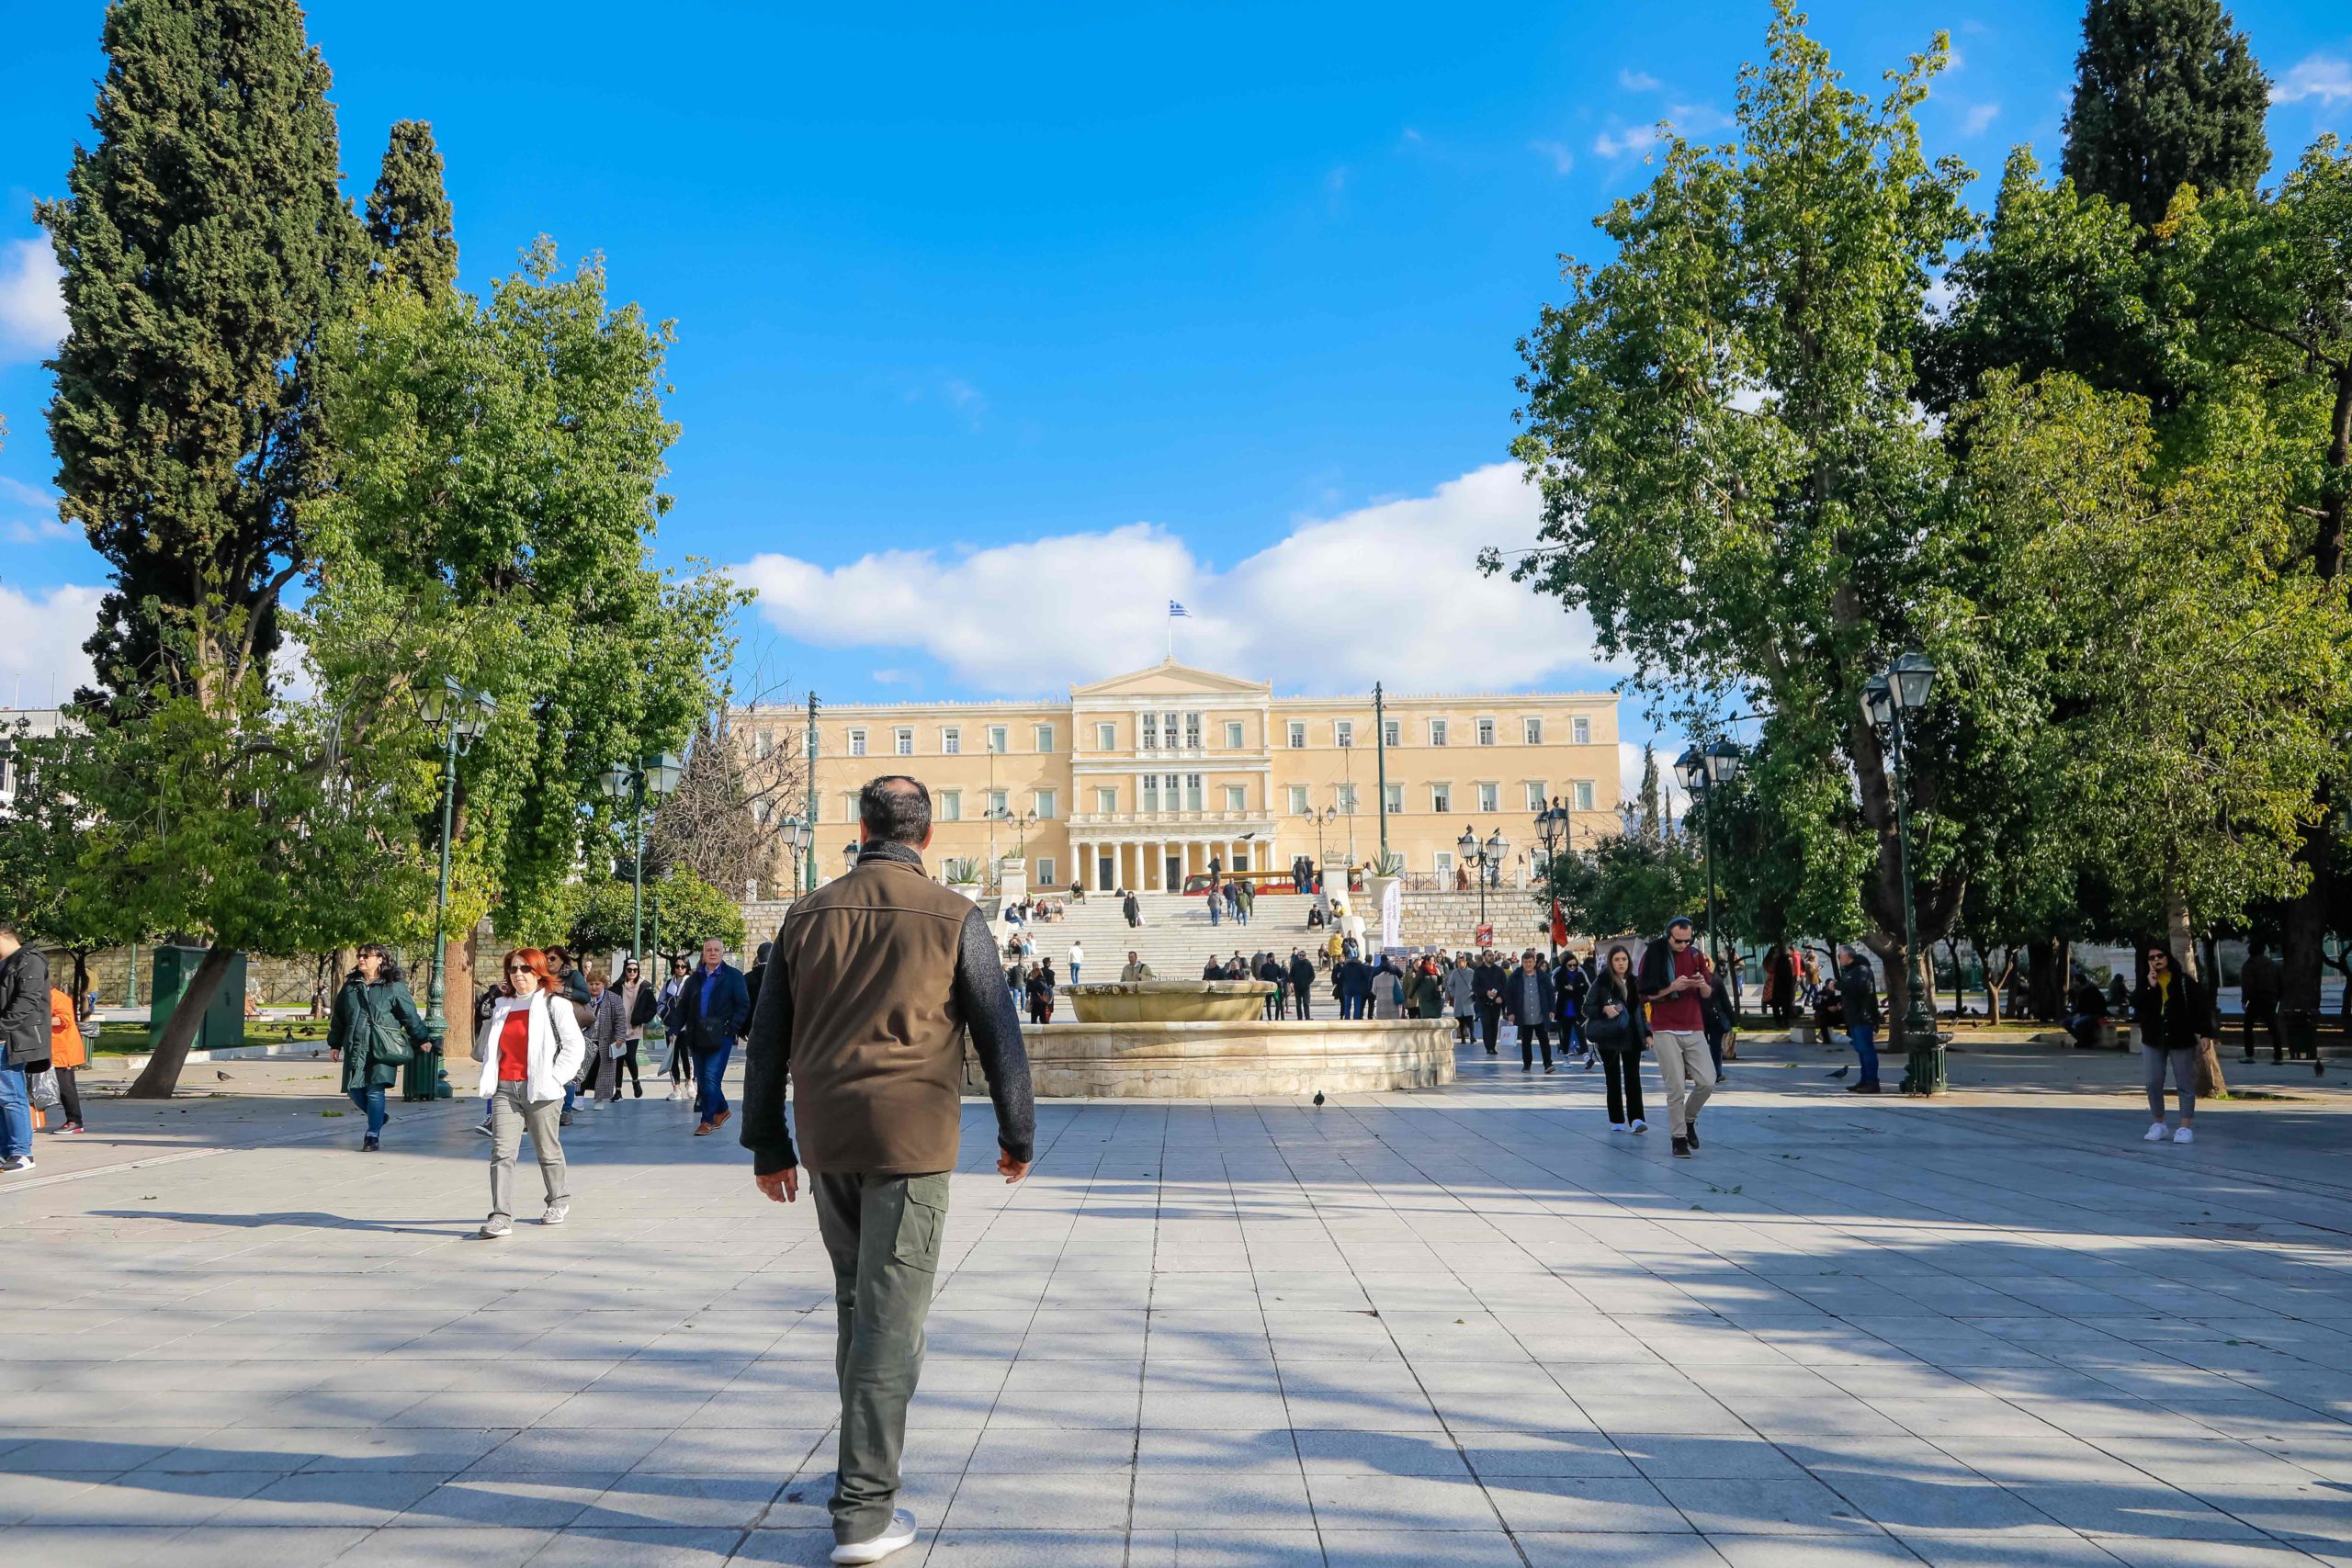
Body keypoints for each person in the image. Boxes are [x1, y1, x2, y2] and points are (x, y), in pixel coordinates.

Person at [741, 776, 1033, 1566]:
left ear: (861, 827)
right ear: (928, 837)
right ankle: (864, 1512)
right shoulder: (954, 916)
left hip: (829, 1135)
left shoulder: (807, 914)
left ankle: (859, 1472)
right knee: (890, 1318)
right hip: (911, 1139)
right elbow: (1000, 1033)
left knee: (855, 1303)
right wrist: (1018, 1134)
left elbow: (766, 1039)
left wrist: (769, 1143)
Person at [475, 948, 584, 1237]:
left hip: (542, 1089)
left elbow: (575, 1047)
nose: (518, 974)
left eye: (525, 969)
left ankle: (558, 1199)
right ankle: (500, 1216)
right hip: (505, 1088)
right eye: (513, 969)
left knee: (547, 1150)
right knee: (501, 1153)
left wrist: (554, 1077)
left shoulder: (555, 1005)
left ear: (539, 972)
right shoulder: (502, 1006)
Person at [329, 943, 432, 1152]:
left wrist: (421, 1037)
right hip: (356, 1045)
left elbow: (409, 1015)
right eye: (359, 956)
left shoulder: (393, 986)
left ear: (380, 959)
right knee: (354, 1090)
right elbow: (339, 1017)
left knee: (375, 1091)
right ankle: (379, 1116)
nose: (361, 959)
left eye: (366, 956)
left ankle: (372, 1135)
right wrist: (335, 1044)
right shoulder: (350, 987)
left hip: (382, 1046)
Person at [1638, 919, 1718, 1158]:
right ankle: (1679, 1138)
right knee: (1675, 1087)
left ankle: (1688, 1118)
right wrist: (1672, 987)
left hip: (1693, 1026)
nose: (1683, 944)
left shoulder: (1696, 956)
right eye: (1678, 940)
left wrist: (1702, 984)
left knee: (1707, 1081)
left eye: (1688, 940)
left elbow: (1708, 994)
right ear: (1668, 936)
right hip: (1664, 1028)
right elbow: (1645, 994)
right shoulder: (1654, 955)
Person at [673, 936, 751, 1137]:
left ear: (722, 953)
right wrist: (674, 1027)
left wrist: (731, 1028)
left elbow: (743, 1004)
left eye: (717, 950)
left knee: (710, 1078)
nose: (713, 953)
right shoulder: (694, 979)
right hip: (697, 1035)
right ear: (704, 953)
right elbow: (683, 1006)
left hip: (721, 1036)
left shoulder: (733, 976)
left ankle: (706, 1120)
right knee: (705, 1080)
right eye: (709, 950)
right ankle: (722, 1109)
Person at [2135, 944, 2211, 1145]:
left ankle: (2185, 1127)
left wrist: (2205, 1033)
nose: (2156, 960)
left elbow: (2201, 1007)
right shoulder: (2146, 983)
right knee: (2153, 1082)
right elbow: (2137, 1004)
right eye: (2152, 957)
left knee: (2184, 1083)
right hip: (2153, 1038)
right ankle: (2159, 1123)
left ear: (2167, 957)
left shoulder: (2184, 981)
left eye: (2160, 956)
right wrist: (2151, 986)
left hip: (2180, 1036)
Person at [0, 923, 52, 1173]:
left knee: (11, 1095)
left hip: (11, 1039)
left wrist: (1, 1030)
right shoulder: (6, 962)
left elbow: (27, 1000)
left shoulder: (29, 960)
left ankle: (22, 1152)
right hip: (4, 1037)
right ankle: (5, 1151)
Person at [1587, 943, 1647, 1132]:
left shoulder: (1636, 982)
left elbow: (1643, 1012)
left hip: (1632, 1036)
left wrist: (1648, 1034)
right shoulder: (1602, 982)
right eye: (1617, 960)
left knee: (1633, 1078)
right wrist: (1603, 1009)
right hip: (1609, 1036)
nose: (1621, 963)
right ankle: (1617, 1120)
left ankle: (1637, 1119)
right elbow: (1587, 1008)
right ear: (1611, 962)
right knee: (1612, 1079)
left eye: (1624, 959)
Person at [1835, 947, 1883, 1093]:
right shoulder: (1853, 970)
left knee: (1866, 1049)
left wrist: (1836, 985)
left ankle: (1872, 1081)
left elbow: (1857, 988)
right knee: (1861, 1050)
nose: (1838, 958)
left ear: (1848, 956)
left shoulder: (1862, 970)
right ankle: (1864, 1080)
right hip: (1855, 1017)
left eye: (1840, 956)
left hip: (1863, 1017)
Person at [45, 984, 87, 1135]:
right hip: (51, 1049)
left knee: (65, 1088)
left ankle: (75, 1121)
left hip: (63, 1050)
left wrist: (39, 1021)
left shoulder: (57, 997)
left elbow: (65, 1019)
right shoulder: (43, 995)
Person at [1506, 950, 1557, 1072]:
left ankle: (1548, 1064)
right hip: (1524, 1015)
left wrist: (1551, 1009)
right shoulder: (1516, 977)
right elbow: (1509, 995)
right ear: (1522, 963)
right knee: (1526, 1041)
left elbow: (1551, 994)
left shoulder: (1543, 977)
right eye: (1525, 962)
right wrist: (1511, 1012)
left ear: (1534, 963)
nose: (1528, 964)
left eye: (1530, 962)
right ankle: (1527, 1064)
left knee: (1544, 1040)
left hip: (1540, 1014)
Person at [584, 968, 628, 1103]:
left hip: (605, 1040)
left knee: (602, 1072)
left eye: (597, 984)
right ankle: (579, 1097)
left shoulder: (614, 999)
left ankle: (599, 1099)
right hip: (585, 1040)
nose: (594, 987)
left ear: (603, 984)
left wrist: (620, 1037)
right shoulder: (583, 998)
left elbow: (620, 1019)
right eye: (591, 984)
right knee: (582, 1070)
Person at [2238, 939, 2284, 1064]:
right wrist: (2277, 997)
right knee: (2274, 1028)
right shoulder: (2273, 965)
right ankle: (2278, 1056)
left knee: (2248, 1027)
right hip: (2271, 999)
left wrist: (2245, 1000)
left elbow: (2247, 985)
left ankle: (2250, 1055)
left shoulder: (2249, 965)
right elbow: (2281, 983)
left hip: (2255, 999)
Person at [616, 957, 655, 1098]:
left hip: (634, 1028)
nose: (632, 972)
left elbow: (652, 1007)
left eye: (635, 970)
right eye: (629, 970)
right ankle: (618, 1091)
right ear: (625, 970)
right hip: (619, 1027)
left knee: (630, 1057)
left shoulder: (644, 987)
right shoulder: (617, 986)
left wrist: (642, 1019)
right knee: (618, 1059)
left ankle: (635, 1081)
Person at [659, 956, 695, 1102]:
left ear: (687, 967)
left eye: (683, 966)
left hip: (685, 1026)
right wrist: (663, 1014)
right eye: (677, 966)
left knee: (686, 1056)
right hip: (669, 1025)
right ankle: (676, 1088)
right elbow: (660, 1002)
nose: (680, 969)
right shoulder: (668, 983)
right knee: (672, 1057)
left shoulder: (690, 983)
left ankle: (690, 1082)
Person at [1472, 949, 1509, 1056]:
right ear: (1484, 957)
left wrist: (1501, 997)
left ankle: (1493, 1045)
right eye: (1489, 955)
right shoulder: (1479, 971)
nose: (1491, 957)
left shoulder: (1499, 970)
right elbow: (1475, 987)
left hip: (1496, 1003)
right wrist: (1486, 992)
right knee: (1486, 1024)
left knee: (1494, 1025)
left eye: (1492, 955)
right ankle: (1489, 1047)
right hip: (1484, 1003)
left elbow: (1505, 985)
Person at [2064, 970, 2109, 1050]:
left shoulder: (2087, 991)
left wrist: (2072, 1014)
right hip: (2089, 1014)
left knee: (2075, 1023)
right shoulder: (2085, 990)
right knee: (2068, 1022)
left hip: (2094, 1014)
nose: (2073, 983)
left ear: (2078, 982)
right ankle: (2082, 1040)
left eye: (2074, 981)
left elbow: (2081, 1006)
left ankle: (2083, 1041)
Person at [1407, 957, 1442, 1021]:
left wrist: (1440, 975)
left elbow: (1439, 983)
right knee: (1426, 1018)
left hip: (1435, 998)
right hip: (1425, 999)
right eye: (1431, 961)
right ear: (1427, 961)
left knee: (1436, 1018)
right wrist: (1410, 996)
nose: (1433, 962)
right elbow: (1415, 983)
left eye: (1434, 961)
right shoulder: (1422, 970)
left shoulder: (1435, 970)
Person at [1026, 961, 1057, 1026]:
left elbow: (1028, 989)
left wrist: (1029, 981)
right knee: (1043, 1019)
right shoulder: (1043, 981)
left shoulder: (1036, 982)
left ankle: (1034, 1034)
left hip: (1036, 1002)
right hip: (1043, 1002)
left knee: (1034, 1020)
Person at [1288, 949, 1316, 1020]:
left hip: (1306, 987)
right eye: (1300, 955)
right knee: (1298, 1004)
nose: (1301, 957)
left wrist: (1308, 982)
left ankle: (1307, 1018)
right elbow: (1291, 975)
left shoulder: (1308, 964)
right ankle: (1299, 1018)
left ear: (1305, 956)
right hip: (1297, 987)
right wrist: (1292, 982)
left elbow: (1313, 975)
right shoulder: (1295, 964)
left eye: (1303, 956)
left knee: (1306, 1003)